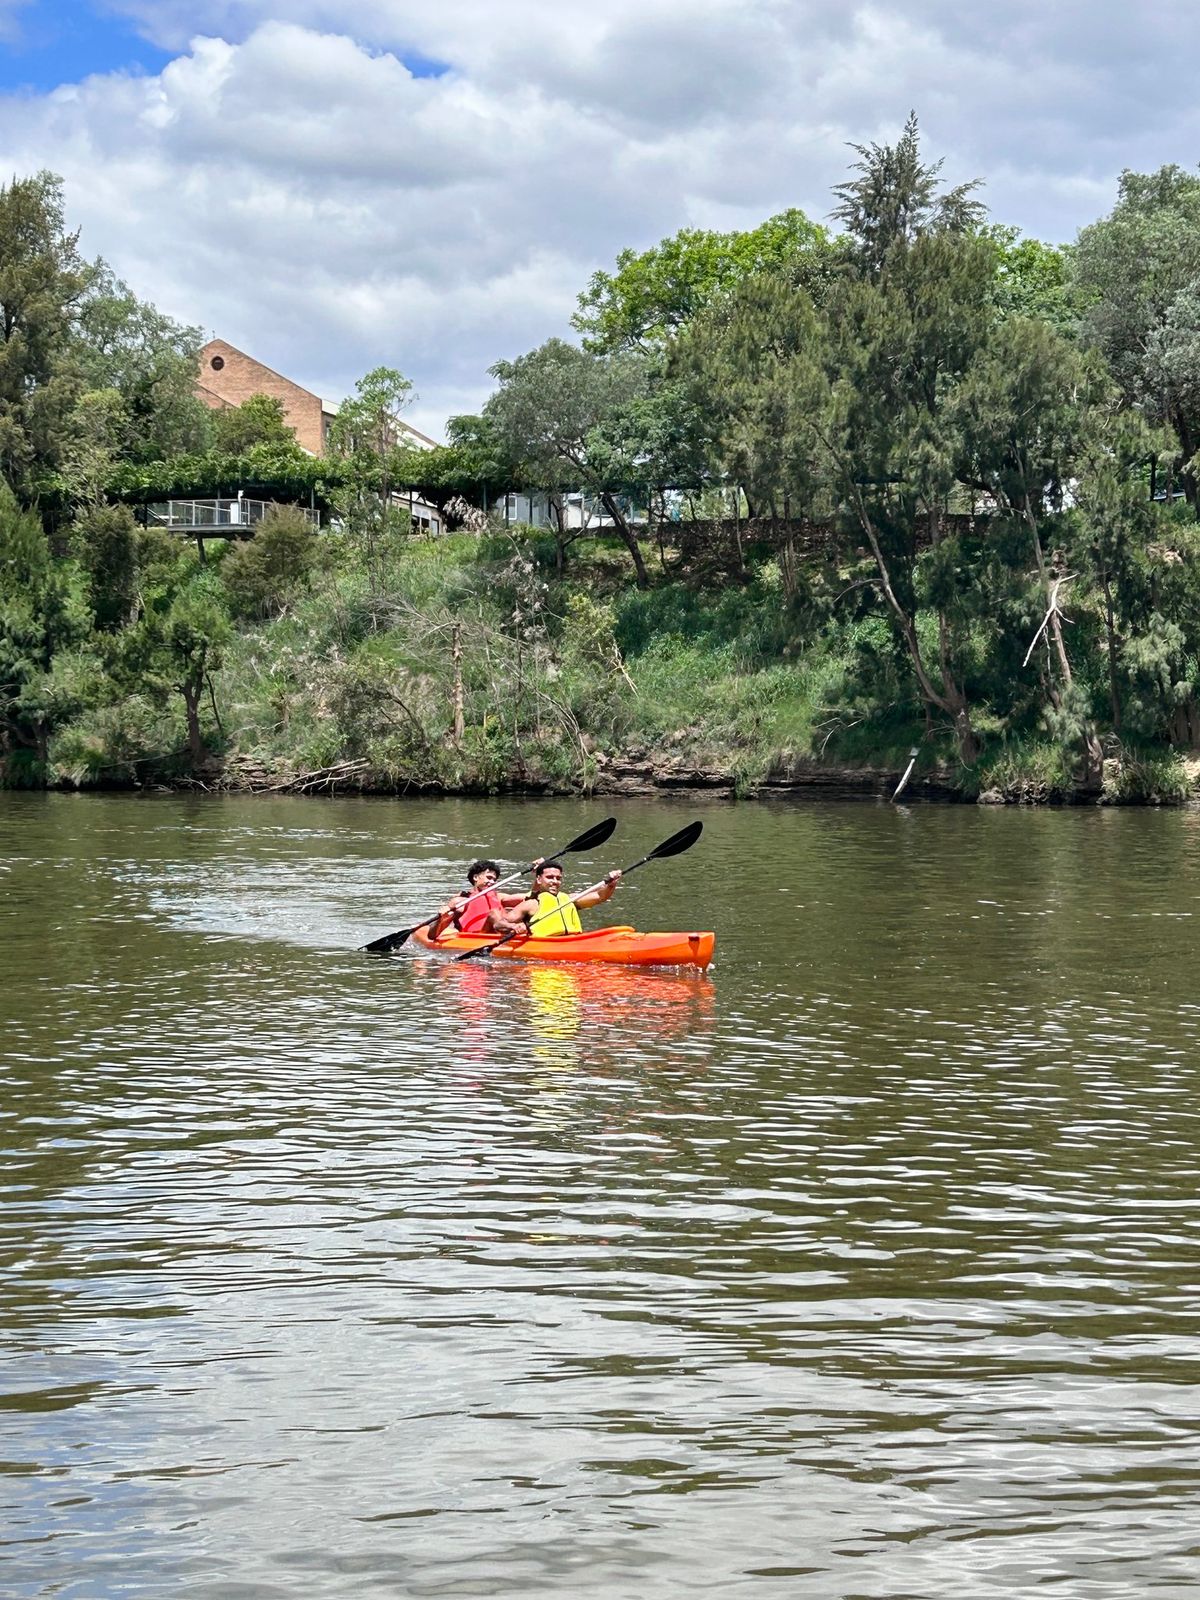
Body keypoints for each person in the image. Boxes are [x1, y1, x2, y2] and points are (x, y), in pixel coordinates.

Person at [504, 860, 622, 938]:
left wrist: (611, 884)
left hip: (574, 941)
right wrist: (515, 927)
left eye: (558, 878)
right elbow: (501, 923)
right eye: (550, 877)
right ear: (539, 880)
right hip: (548, 945)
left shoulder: (570, 899)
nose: (555, 881)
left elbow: (600, 896)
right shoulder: (531, 904)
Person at [429, 859, 528, 940]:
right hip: (476, 937)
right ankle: (512, 927)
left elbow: (527, 897)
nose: (492, 882)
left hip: (500, 934)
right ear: (476, 877)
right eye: (489, 878)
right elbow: (432, 936)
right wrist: (441, 918)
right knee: (493, 913)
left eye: (494, 880)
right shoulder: (460, 901)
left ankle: (515, 928)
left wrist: (539, 870)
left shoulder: (499, 897)